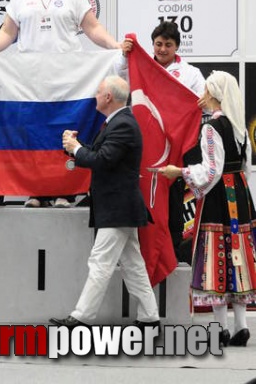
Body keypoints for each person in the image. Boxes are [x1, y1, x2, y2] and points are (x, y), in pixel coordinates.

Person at [0, 0, 123, 208]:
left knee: (66, 130)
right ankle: (37, 192)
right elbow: (8, 33)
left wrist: (115, 46)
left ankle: (65, 191)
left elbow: (92, 28)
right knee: (33, 132)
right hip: (29, 77)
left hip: (68, 75)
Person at [49, 75, 160, 331]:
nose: (96, 95)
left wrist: (76, 148)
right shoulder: (118, 122)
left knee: (100, 262)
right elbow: (102, 156)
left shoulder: (122, 124)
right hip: (119, 207)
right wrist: (74, 147)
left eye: (99, 92)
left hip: (118, 207)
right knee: (133, 265)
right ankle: (150, 318)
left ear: (109, 97)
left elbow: (102, 160)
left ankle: (81, 318)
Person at [160, 71, 256, 347]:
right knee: (236, 252)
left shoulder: (212, 127)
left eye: (205, 91)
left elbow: (211, 169)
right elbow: (245, 168)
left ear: (214, 94)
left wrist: (180, 171)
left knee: (216, 255)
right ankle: (241, 326)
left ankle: (220, 328)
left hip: (218, 199)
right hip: (238, 193)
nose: (201, 96)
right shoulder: (238, 127)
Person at [122, 21, 206, 263]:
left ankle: (173, 247)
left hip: (178, 145)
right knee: (145, 191)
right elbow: (118, 79)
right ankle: (143, 248)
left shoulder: (191, 73)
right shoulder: (140, 67)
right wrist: (123, 55)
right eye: (158, 44)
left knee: (175, 193)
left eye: (168, 45)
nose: (162, 49)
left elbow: (203, 99)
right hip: (147, 145)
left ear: (177, 47)